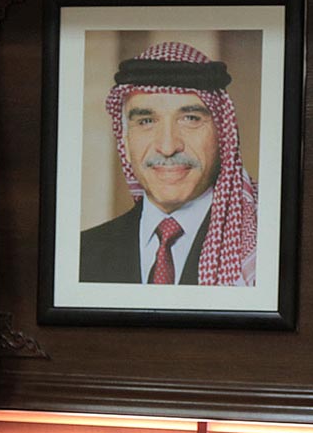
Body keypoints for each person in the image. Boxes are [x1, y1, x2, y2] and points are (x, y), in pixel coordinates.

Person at [80, 41, 258, 287]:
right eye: (146, 121)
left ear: (223, 136)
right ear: (125, 142)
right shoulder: (82, 254)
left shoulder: (260, 250)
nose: (167, 146)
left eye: (190, 118)